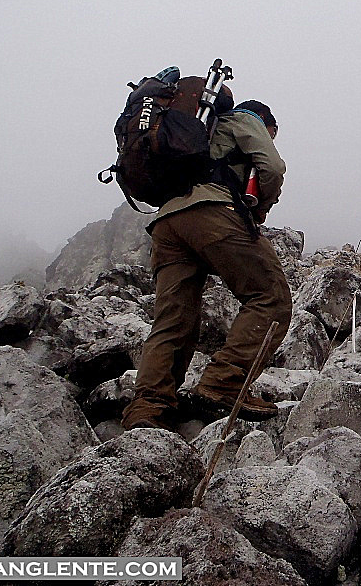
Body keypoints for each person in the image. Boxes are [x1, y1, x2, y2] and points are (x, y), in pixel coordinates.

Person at [121, 91, 292, 430]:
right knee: (270, 297)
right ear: (268, 125)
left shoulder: (195, 131)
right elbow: (272, 167)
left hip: (166, 224)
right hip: (211, 213)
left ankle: (148, 409)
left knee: (173, 319)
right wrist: (259, 210)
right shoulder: (244, 120)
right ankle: (222, 384)